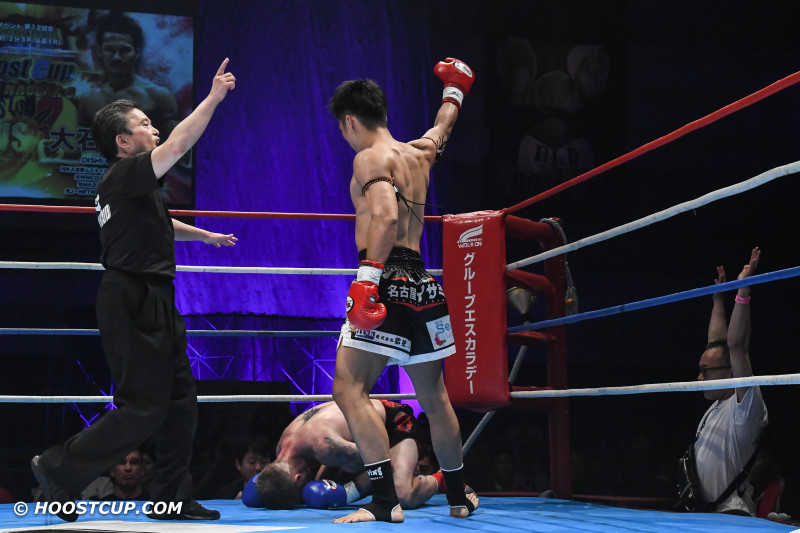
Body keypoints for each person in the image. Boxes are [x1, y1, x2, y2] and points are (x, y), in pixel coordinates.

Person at [30, 58, 237, 523]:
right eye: (144, 124)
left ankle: (172, 498)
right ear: (123, 142)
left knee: (180, 403)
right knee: (143, 407)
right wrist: (213, 97)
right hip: (132, 297)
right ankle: (58, 467)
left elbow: (160, 223)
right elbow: (180, 143)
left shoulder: (132, 188)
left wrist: (204, 236)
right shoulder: (124, 174)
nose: (154, 129)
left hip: (156, 296)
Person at [327, 58, 479, 523]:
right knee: (435, 398)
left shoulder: (369, 158)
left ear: (350, 121)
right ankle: (458, 496)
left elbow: (386, 216)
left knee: (349, 388)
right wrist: (454, 92)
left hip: (386, 278)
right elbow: (441, 130)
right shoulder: (417, 154)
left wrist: (366, 282)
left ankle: (383, 500)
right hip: (423, 284)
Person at [254, 400, 446, 511]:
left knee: (402, 494)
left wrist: (347, 494)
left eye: (300, 490)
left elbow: (380, 462)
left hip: (395, 425)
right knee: (325, 484)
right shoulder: (282, 446)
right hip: (363, 434)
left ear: (297, 479)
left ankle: (445, 477)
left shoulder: (325, 447)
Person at [693, 247, 768, 515]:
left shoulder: (744, 407)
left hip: (732, 515)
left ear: (730, 373)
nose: (699, 377)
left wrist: (743, 290)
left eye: (705, 371)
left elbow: (736, 347)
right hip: (706, 514)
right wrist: (717, 300)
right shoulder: (717, 406)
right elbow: (716, 346)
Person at [77, 11, 179, 138]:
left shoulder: (159, 97)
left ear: (137, 53)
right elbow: (79, 145)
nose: (117, 57)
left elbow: (177, 145)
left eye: (124, 50)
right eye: (110, 50)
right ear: (99, 52)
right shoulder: (88, 100)